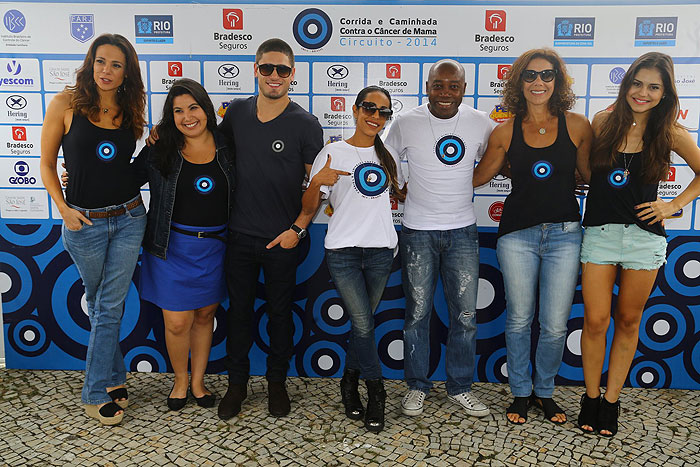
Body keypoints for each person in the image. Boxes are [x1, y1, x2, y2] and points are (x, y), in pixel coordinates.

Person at [577, 52, 700, 437]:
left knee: (628, 320)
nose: (642, 92)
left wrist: (674, 205)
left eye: (653, 87)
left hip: (644, 239)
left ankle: (611, 402)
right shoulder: (602, 122)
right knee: (596, 321)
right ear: (626, 83)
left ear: (664, 94)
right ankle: (591, 397)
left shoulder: (671, 132)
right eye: (637, 83)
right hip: (599, 234)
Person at [473, 49, 593, 425]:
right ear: (517, 82)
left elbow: (592, 176)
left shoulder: (578, 125)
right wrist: (420, 185)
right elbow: (477, 177)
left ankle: (545, 392)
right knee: (520, 319)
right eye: (530, 75)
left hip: (565, 235)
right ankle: (521, 393)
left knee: (556, 323)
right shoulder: (505, 130)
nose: (538, 82)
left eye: (546, 75)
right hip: (517, 236)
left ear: (557, 82)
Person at [39, 33, 146, 426]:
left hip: (130, 217)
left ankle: (95, 389)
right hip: (83, 223)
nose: (107, 70)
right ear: (91, 62)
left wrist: (152, 146)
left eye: (116, 64)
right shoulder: (65, 104)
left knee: (108, 305)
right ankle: (113, 378)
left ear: (126, 72)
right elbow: (48, 164)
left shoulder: (130, 105)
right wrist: (63, 208)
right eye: (101, 61)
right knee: (102, 304)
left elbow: (122, 168)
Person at [217, 38, 324, 420]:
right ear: (255, 70)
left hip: (284, 239)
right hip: (239, 236)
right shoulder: (235, 115)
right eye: (267, 68)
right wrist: (158, 140)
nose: (274, 76)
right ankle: (237, 386)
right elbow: (208, 157)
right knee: (239, 314)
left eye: (282, 69)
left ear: (293, 74)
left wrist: (298, 228)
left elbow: (318, 187)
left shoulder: (306, 124)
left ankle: (277, 384)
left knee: (280, 314)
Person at [384, 59, 494, 418]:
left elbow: (501, 160)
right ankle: (417, 385)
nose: (445, 93)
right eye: (438, 85)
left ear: (464, 88)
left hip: (463, 231)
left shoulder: (481, 123)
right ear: (427, 86)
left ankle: (460, 386)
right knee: (417, 314)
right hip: (417, 231)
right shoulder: (406, 122)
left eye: (454, 86)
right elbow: (381, 155)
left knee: (465, 315)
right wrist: (395, 183)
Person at [300, 86, 405, 432]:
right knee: (364, 325)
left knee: (363, 326)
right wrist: (316, 183)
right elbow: (311, 205)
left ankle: (348, 382)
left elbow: (400, 195)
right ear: (356, 110)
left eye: (383, 112)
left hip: (380, 252)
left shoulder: (388, 154)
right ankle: (377, 393)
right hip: (343, 252)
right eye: (369, 108)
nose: (375, 116)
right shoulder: (333, 153)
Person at [132, 79, 234, 411]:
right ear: (169, 117)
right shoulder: (161, 148)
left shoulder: (228, 147)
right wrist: (79, 180)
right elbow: (127, 180)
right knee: (177, 322)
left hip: (216, 248)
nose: (187, 117)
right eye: (177, 111)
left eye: (193, 108)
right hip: (170, 247)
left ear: (206, 110)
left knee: (205, 316)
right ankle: (179, 381)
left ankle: (199, 382)